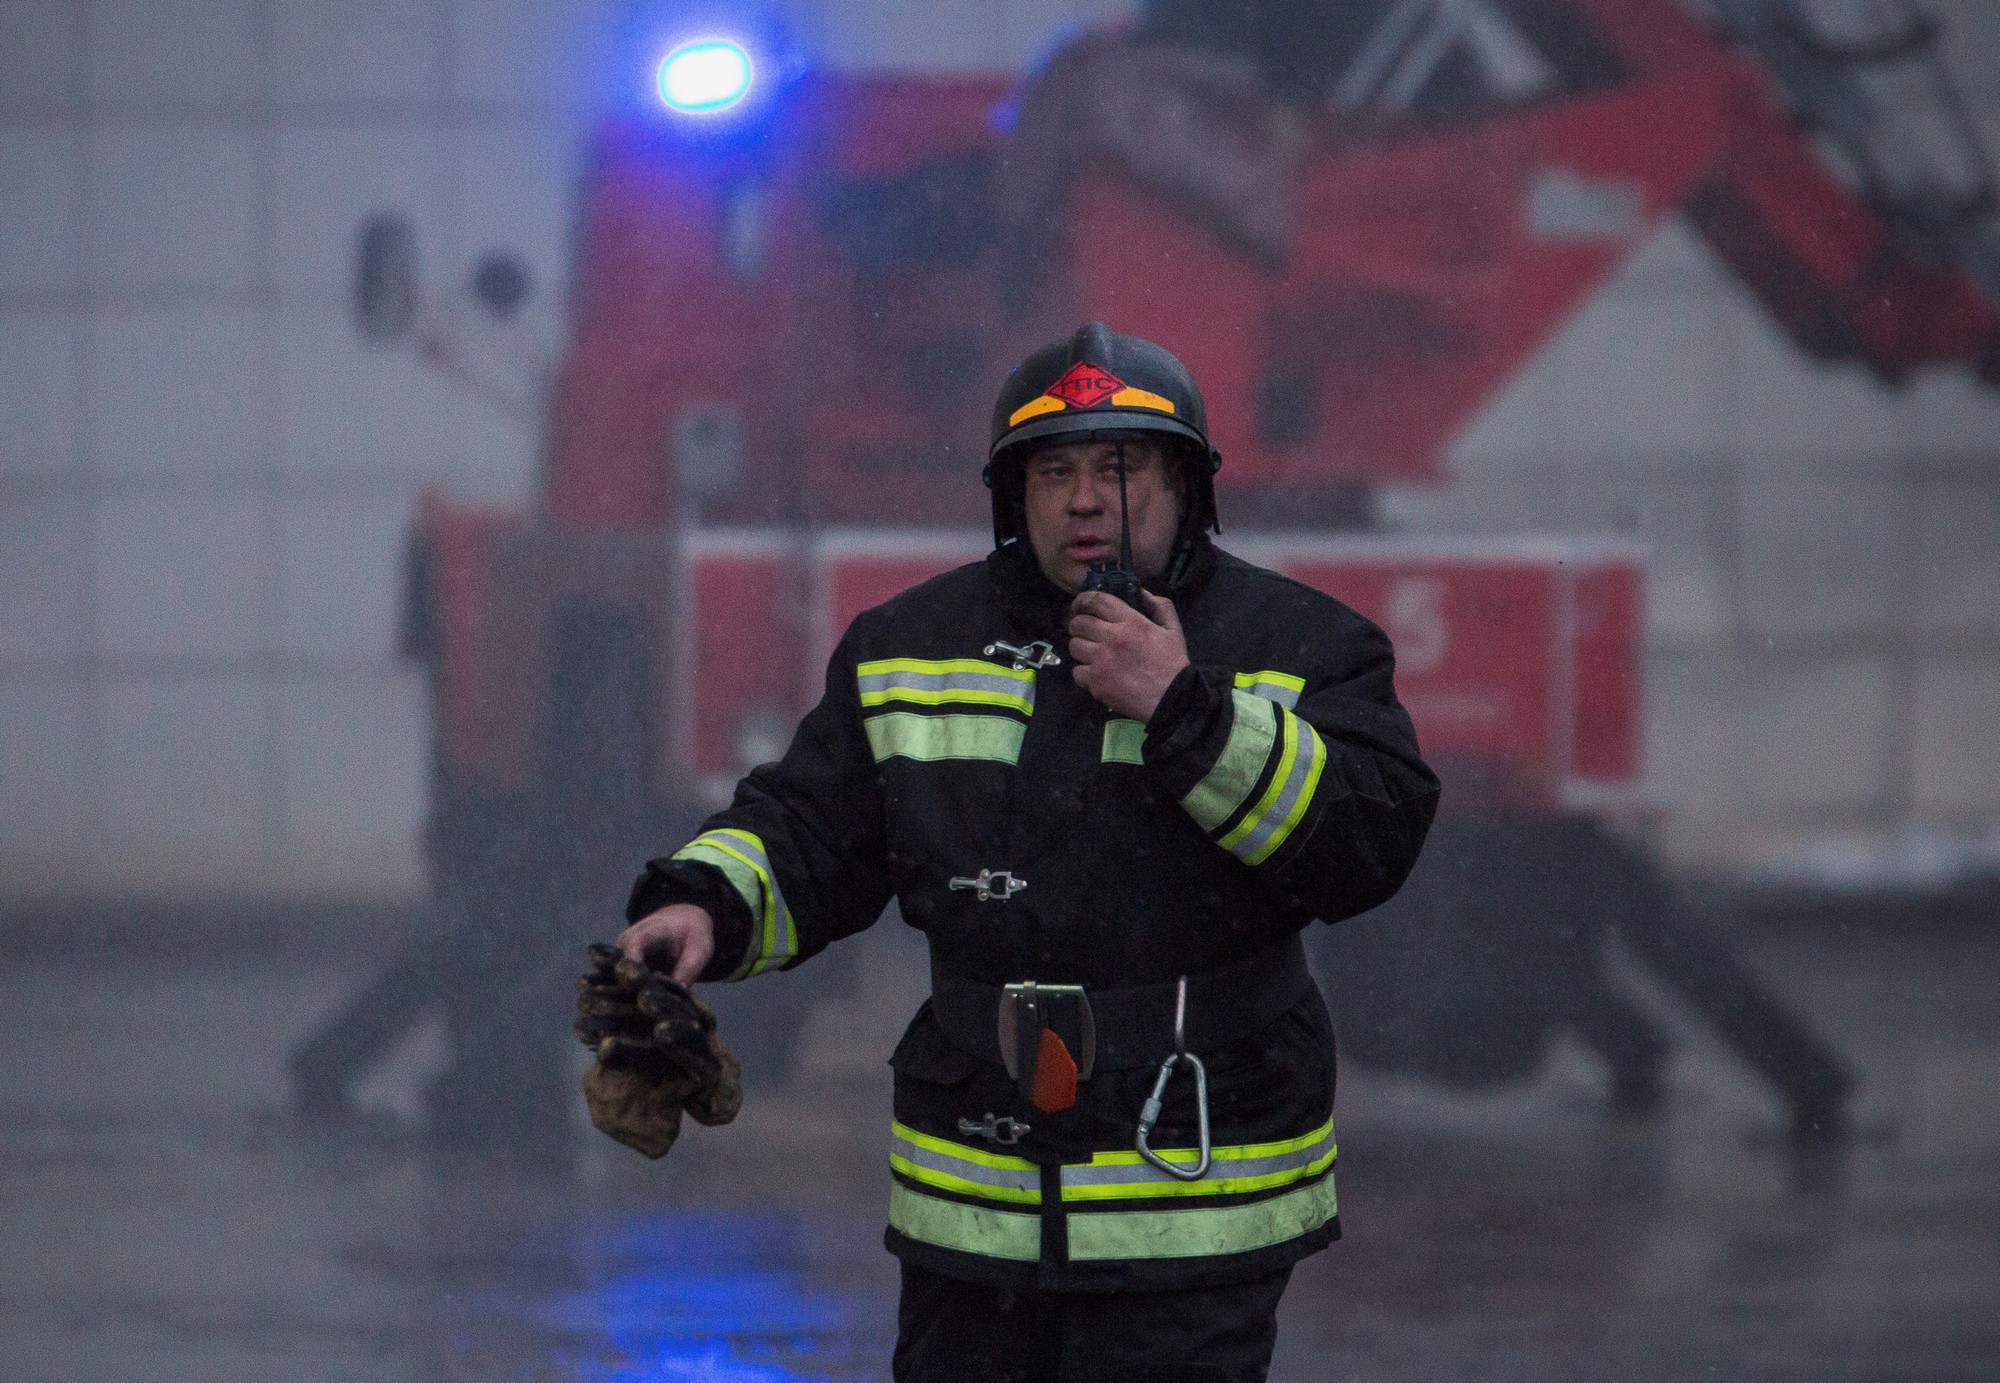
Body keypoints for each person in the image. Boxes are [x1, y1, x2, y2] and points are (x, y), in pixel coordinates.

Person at [617, 322, 1440, 1382]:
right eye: (1054, 471)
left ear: (1183, 482)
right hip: (975, 1196)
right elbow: (811, 829)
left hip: (1190, 1187)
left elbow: (1366, 846)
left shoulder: (1304, 647)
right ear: (1014, 497)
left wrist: (1184, 710)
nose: (1086, 498)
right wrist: (706, 908)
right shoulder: (907, 644)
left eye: (1118, 466)